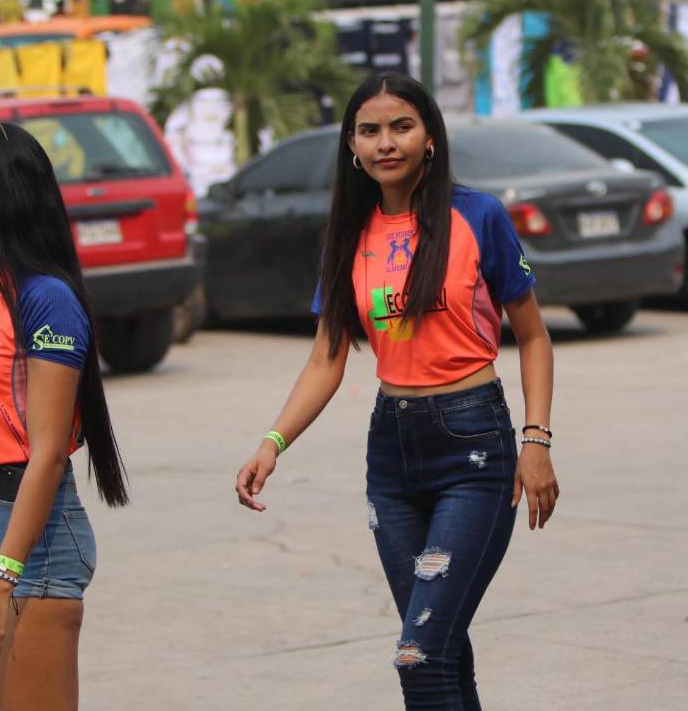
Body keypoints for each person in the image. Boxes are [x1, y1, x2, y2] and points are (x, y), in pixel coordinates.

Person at [234, 72, 559, 709]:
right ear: (352, 146)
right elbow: (326, 359)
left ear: (430, 136)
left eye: (402, 126)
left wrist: (537, 440)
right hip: (391, 452)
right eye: (370, 130)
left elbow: (535, 337)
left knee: (421, 654)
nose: (386, 142)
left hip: (473, 446)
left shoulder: (478, 216)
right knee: (443, 649)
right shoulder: (349, 235)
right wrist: (272, 442)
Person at [0, 118, 129, 710]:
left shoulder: (46, 299)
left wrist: (1, 579)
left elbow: (49, 453)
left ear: (1, 190)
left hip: (30, 545)